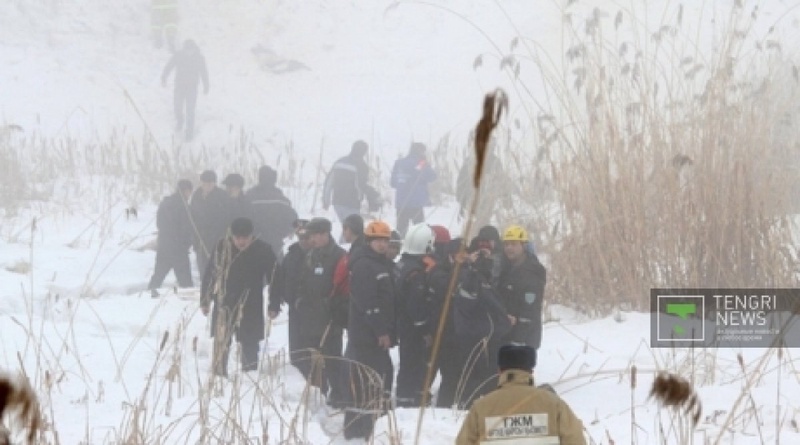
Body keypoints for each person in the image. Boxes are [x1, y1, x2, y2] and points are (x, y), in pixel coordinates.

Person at [455, 345, 586, 444]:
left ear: (500, 370)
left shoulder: (481, 407)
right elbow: (575, 440)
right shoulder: (554, 404)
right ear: (531, 371)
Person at [200, 217, 277, 376]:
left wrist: (274, 304)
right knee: (221, 341)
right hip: (224, 302)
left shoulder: (263, 250)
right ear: (231, 236)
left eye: (245, 238)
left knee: (249, 343)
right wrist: (205, 299)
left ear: (252, 236)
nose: (241, 242)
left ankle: (250, 375)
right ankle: (219, 375)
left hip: (251, 303)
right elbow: (210, 274)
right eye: (237, 238)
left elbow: (275, 278)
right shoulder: (222, 247)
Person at [343, 220, 396, 440]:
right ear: (368, 241)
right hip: (367, 335)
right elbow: (368, 303)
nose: (382, 244)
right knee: (367, 379)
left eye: (385, 240)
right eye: (377, 240)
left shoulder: (380, 263)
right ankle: (361, 428)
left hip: (372, 334)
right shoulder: (365, 265)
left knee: (380, 375)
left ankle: (372, 424)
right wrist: (381, 331)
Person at [290, 218, 347, 406]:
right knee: (312, 358)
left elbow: (343, 287)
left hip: (330, 317)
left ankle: (338, 394)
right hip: (309, 316)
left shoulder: (339, 256)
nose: (311, 239)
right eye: (310, 235)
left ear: (325, 234)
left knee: (332, 357)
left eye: (315, 235)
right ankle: (318, 391)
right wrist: (299, 300)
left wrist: (332, 307)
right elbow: (302, 280)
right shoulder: (311, 255)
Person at [394, 223, 439, 407]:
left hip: (401, 324)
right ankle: (409, 402)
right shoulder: (416, 273)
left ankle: (404, 398)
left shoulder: (401, 264)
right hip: (412, 329)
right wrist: (424, 330)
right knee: (413, 365)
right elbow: (416, 305)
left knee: (406, 364)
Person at [268, 219, 311, 374]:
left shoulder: (324, 255)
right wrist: (274, 304)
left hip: (317, 312)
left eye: (307, 237)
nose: (304, 241)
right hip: (295, 310)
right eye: (301, 237)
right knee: (297, 351)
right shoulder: (291, 256)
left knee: (313, 351)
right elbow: (278, 280)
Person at [497, 225, 547, 349]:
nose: (509, 248)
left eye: (513, 244)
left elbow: (530, 309)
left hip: (523, 339)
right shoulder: (504, 269)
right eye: (506, 244)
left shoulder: (532, 271)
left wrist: (519, 337)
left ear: (523, 246)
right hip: (505, 335)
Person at [148, 179, 194, 298]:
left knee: (158, 275)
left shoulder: (165, 203)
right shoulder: (184, 207)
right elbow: (186, 228)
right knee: (186, 281)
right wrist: (187, 243)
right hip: (179, 248)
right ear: (186, 191)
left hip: (164, 245)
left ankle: (149, 295)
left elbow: (159, 223)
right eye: (189, 191)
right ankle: (188, 300)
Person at [245, 165, 298, 261]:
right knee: (276, 271)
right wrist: (285, 232)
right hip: (275, 242)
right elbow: (293, 219)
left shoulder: (250, 196)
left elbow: (243, 215)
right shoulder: (282, 199)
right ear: (274, 180)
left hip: (254, 241)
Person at [322, 140, 381, 224]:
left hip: (337, 202)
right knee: (352, 233)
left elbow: (328, 183)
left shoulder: (339, 162)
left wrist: (326, 201)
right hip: (351, 204)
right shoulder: (361, 165)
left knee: (347, 231)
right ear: (363, 152)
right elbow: (361, 185)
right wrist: (373, 195)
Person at [161, 39, 209, 141]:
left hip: (192, 88)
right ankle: (180, 120)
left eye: (190, 50)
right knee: (177, 106)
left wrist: (206, 85)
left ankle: (189, 132)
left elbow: (204, 72)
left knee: (190, 110)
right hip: (179, 86)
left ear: (194, 49)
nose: (189, 52)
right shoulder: (178, 55)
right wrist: (164, 77)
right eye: (187, 50)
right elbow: (169, 66)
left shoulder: (200, 59)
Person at [189, 170, 230, 280]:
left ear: (214, 183)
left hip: (217, 239)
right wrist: (194, 239)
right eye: (204, 183)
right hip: (200, 239)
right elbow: (192, 217)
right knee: (203, 270)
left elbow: (227, 218)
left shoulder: (222, 196)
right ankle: (205, 292)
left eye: (210, 184)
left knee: (217, 269)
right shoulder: (196, 195)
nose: (207, 186)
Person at [390, 142, 437, 236]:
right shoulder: (420, 163)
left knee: (401, 231)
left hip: (401, 203)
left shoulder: (399, 163)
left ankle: (399, 248)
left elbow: (393, 183)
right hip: (416, 202)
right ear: (420, 151)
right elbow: (432, 176)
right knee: (419, 231)